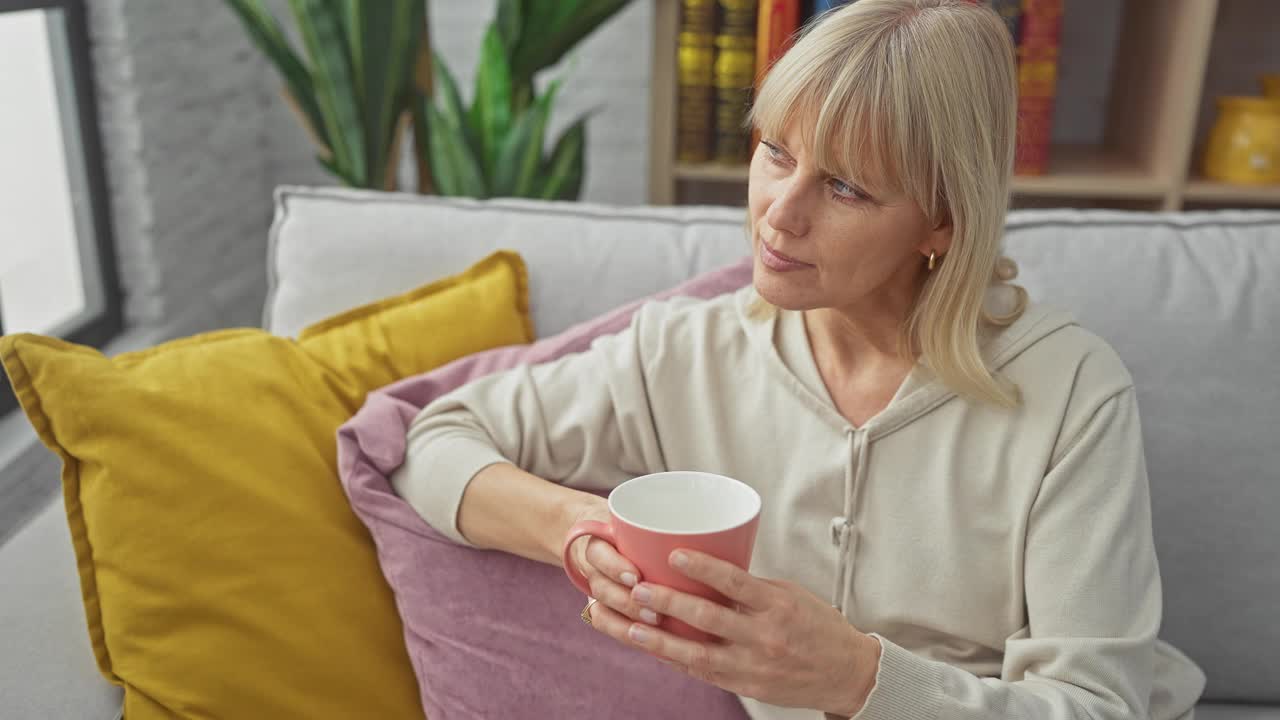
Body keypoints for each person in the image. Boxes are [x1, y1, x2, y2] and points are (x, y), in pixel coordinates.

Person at [390, 0, 1207, 717]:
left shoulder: (1070, 393)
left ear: (943, 224)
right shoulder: (682, 351)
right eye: (776, 151)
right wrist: (579, 529)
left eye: (846, 188)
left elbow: (1099, 707)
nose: (778, 215)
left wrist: (857, 679)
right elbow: (436, 443)